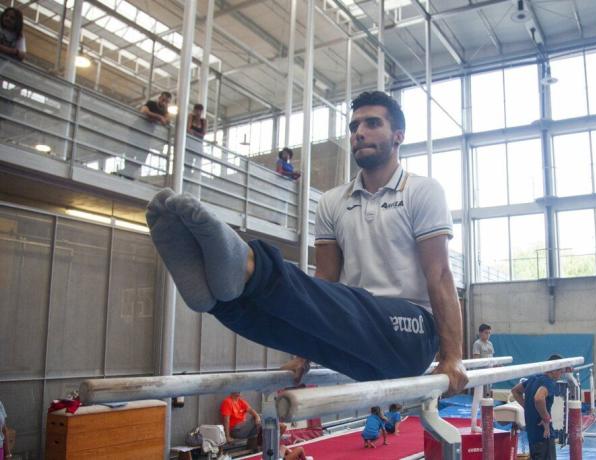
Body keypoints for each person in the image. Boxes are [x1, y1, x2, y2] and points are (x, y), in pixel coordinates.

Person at [144, 90, 467, 393]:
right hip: (351, 335)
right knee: (284, 323)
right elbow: (324, 281)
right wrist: (302, 354)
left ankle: (251, 266)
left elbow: (439, 274)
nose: (359, 132)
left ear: (398, 136)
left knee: (350, 306)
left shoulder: (422, 191)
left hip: (411, 333)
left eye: (372, 123)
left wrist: (452, 357)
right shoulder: (331, 201)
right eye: (354, 125)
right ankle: (223, 303)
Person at [511, 354, 566, 460]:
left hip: (532, 435)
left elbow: (515, 391)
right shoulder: (549, 382)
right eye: (560, 371)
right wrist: (546, 417)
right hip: (543, 435)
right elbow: (539, 398)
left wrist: (527, 406)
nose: (562, 374)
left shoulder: (533, 378)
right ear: (553, 369)